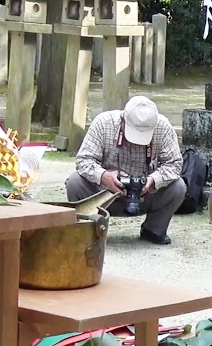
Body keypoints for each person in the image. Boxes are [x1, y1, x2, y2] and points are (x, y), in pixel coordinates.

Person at [66, 96, 185, 245]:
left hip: (144, 195)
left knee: (178, 186)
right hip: (104, 195)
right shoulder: (103, 123)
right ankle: (88, 229)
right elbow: (83, 160)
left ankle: (154, 230)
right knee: (75, 182)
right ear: (123, 118)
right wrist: (104, 176)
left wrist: (153, 181)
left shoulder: (163, 127)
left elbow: (174, 164)